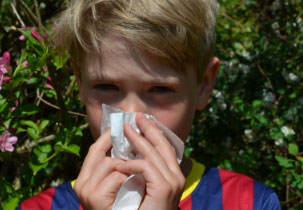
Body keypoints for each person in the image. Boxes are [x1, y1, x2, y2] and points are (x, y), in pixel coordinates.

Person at [17, 0, 281, 209]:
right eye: (107, 87)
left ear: (203, 85)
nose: (131, 116)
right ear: (81, 83)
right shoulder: (40, 208)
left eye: (160, 89)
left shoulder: (250, 202)